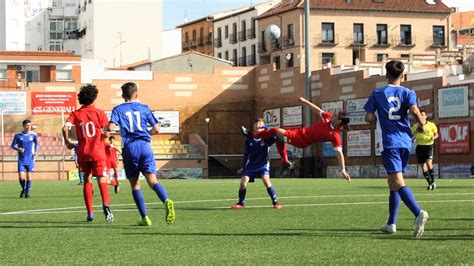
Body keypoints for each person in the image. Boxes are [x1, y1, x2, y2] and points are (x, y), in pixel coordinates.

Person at [364, 60, 428, 237]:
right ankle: (391, 223)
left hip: (389, 142)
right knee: (392, 182)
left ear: (386, 74)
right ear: (403, 76)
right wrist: (422, 123)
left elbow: (368, 118)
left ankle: (418, 212)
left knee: (398, 182)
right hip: (406, 142)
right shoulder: (408, 92)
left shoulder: (377, 93)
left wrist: (376, 116)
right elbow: (415, 111)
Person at [106, 82, 175, 226]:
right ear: (136, 94)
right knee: (153, 181)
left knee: (135, 184)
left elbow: (111, 127)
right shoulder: (144, 108)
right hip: (145, 146)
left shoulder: (118, 109)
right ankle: (166, 200)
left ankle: (145, 218)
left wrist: (104, 129)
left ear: (123, 95)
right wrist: (146, 134)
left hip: (130, 148)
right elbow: (157, 129)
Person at [241, 97, 351, 181]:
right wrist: (305, 101)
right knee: (278, 138)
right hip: (298, 132)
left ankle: (253, 135)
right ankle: (285, 162)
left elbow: (339, 153)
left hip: (300, 140)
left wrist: (343, 170)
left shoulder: (335, 135)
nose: (333, 116)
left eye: (335, 116)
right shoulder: (328, 118)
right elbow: (318, 110)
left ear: (339, 121)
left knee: (275, 131)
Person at [62, 84, 114, 223]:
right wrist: (104, 136)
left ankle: (90, 212)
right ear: (94, 98)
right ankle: (106, 205)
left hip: (83, 153)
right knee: (102, 180)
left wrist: (67, 141)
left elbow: (65, 127)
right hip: (98, 152)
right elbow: (106, 132)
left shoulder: (76, 114)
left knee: (87, 180)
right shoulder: (100, 113)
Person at [232, 118, 281, 209]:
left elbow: (275, 136)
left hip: (263, 165)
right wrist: (244, 167)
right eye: (256, 124)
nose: (258, 125)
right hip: (251, 165)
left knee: (266, 181)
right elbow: (246, 154)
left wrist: (265, 127)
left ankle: (275, 202)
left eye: (260, 124)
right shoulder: (249, 139)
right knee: (243, 183)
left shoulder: (267, 139)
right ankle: (241, 203)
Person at [11, 119, 39, 198]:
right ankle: (24, 189)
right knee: (21, 177)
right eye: (27, 125)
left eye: (30, 125)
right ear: (23, 126)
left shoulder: (33, 135)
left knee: (29, 177)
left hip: (30, 159)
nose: (28, 127)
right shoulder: (18, 135)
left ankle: (27, 193)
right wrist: (18, 149)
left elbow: (37, 144)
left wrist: (36, 152)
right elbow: (12, 145)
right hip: (21, 160)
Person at [411, 110, 438, 190]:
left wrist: (434, 137)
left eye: (423, 115)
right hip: (419, 146)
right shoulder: (415, 126)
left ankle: (433, 181)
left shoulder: (431, 125)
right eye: (420, 115)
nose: (421, 116)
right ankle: (429, 183)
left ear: (426, 116)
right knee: (423, 166)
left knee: (429, 163)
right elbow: (413, 134)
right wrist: (417, 130)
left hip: (428, 146)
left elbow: (436, 134)